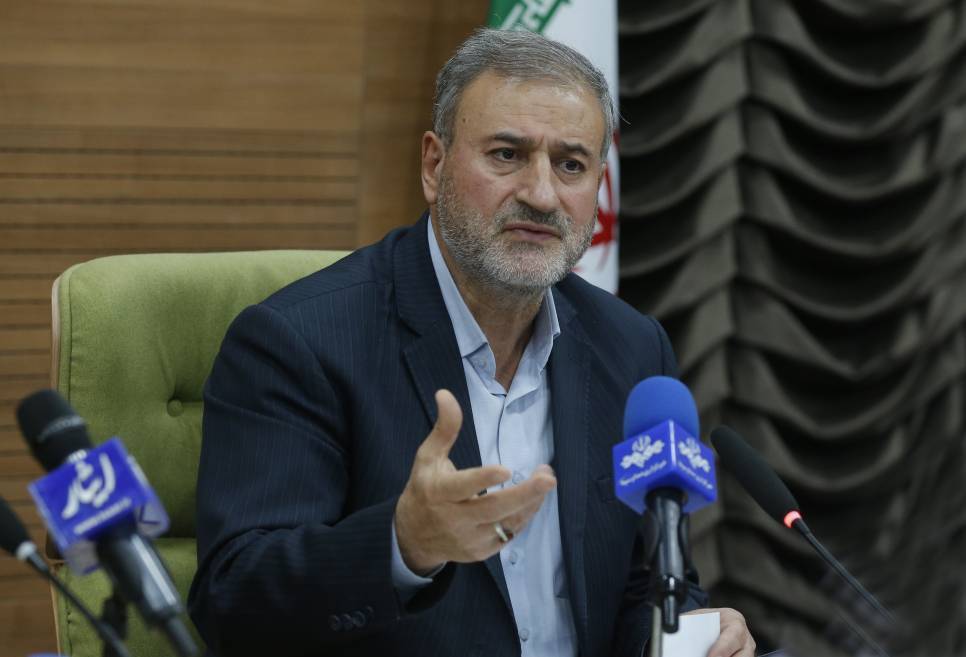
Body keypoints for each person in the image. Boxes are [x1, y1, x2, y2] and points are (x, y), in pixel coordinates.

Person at [189, 28, 755, 657]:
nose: (541, 194)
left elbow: (648, 583)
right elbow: (232, 602)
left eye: (571, 164)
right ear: (434, 166)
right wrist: (403, 545)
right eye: (507, 154)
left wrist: (691, 633)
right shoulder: (300, 342)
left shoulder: (631, 347)